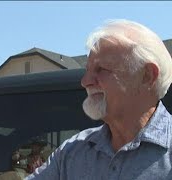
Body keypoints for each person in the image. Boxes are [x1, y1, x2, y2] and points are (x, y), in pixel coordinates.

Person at [25, 19, 172, 179]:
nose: (85, 81)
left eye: (101, 69)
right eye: (87, 70)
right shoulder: (73, 151)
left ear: (147, 76)